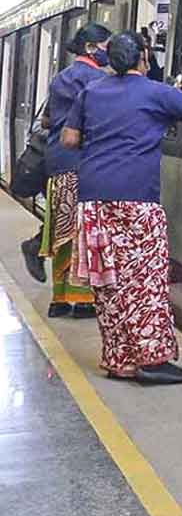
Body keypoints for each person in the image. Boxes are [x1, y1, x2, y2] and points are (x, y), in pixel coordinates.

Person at [61, 31, 182, 384]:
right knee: (145, 279)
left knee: (108, 280)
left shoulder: (89, 93)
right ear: (144, 58)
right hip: (136, 200)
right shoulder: (156, 93)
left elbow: (69, 139)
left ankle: (118, 360)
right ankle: (151, 361)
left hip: (93, 200)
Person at [35, 23, 112, 318]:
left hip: (57, 164)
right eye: (106, 46)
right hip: (84, 164)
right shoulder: (97, 79)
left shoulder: (61, 78)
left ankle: (59, 299)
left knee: (61, 232)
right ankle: (83, 300)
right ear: (92, 48)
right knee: (84, 232)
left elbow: (47, 121)